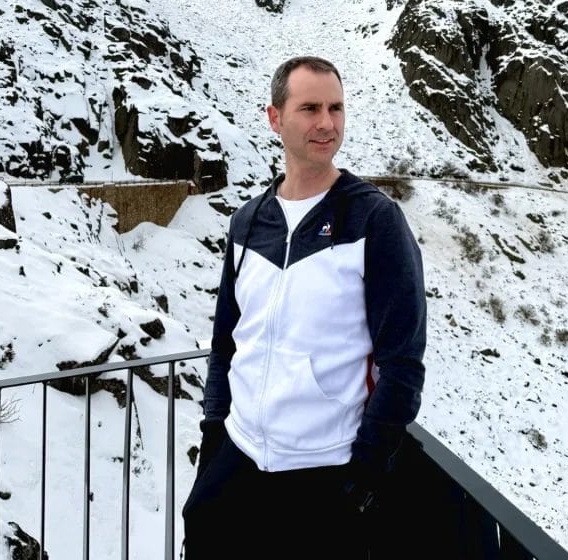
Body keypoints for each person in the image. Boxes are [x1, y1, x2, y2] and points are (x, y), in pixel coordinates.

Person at [182, 55, 427, 558]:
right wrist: (213, 435)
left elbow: (402, 363)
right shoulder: (249, 222)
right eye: (310, 107)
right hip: (238, 459)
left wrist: (366, 470)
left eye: (336, 108)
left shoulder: (374, 219)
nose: (326, 124)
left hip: (325, 476)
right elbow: (226, 345)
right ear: (275, 118)